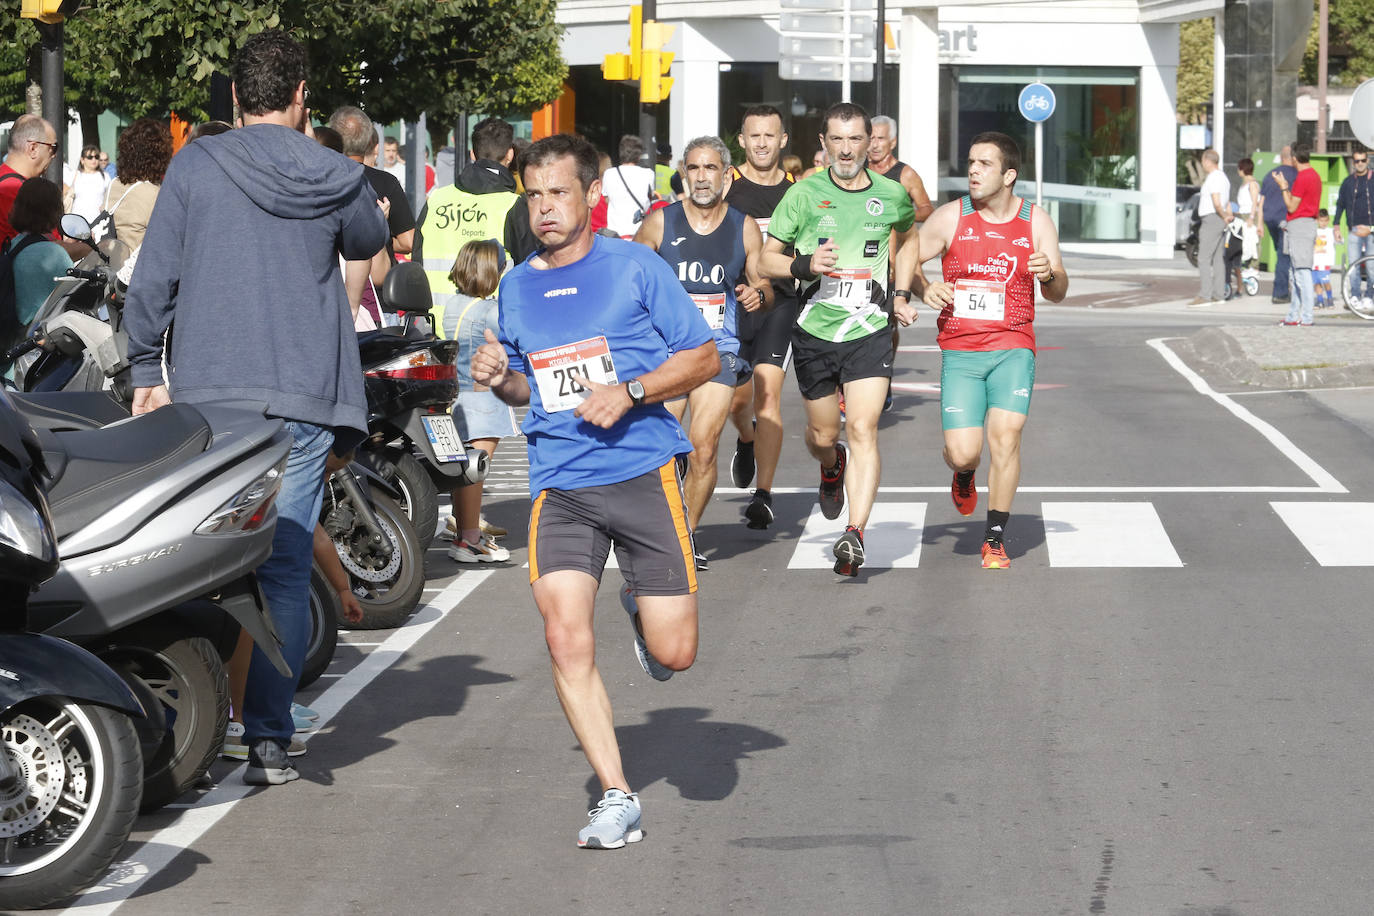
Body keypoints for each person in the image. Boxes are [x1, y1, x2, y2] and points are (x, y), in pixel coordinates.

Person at [124, 28, 388, 787]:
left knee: (193, 556)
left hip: (211, 399)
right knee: (283, 562)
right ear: (303, 97)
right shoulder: (336, 172)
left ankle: (183, 715)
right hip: (302, 396)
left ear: (236, 97)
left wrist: (146, 365)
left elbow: (155, 279)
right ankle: (269, 738)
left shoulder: (196, 164)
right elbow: (370, 235)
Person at [469, 133, 717, 848]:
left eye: (559, 193)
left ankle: (642, 604)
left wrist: (631, 390)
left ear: (589, 198)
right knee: (563, 635)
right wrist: (498, 374)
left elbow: (702, 354)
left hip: (641, 470)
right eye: (535, 195)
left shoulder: (635, 267)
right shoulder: (516, 285)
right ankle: (616, 794)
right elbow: (527, 383)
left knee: (676, 654)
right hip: (562, 480)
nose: (545, 208)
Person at [760, 102, 919, 577]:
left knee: (863, 428)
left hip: (869, 328)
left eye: (856, 139)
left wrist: (901, 290)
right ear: (824, 145)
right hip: (815, 329)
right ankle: (831, 466)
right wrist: (802, 265)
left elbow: (910, 237)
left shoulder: (892, 195)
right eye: (837, 140)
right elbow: (764, 261)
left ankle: (855, 532)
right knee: (825, 435)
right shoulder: (803, 195)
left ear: (870, 143)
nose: (847, 149)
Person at [917, 131, 1068, 569]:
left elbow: (1058, 290)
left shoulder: (1035, 221)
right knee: (966, 452)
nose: (973, 171)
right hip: (962, 351)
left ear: (1009, 175)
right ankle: (963, 474)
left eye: (984, 164)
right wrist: (924, 287)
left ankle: (994, 537)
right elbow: (906, 260)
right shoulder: (950, 218)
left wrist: (1048, 275)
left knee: (1006, 438)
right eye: (970, 162)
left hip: (1013, 345)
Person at [634, 135, 771, 566]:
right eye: (693, 168)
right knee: (665, 447)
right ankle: (662, 521)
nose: (701, 177)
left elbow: (763, 280)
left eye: (710, 168)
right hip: (667, 351)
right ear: (683, 174)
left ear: (726, 175)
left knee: (703, 446)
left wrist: (758, 295)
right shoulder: (660, 223)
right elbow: (630, 278)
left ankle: (686, 535)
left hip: (718, 350)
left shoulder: (743, 225)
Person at [723, 104, 797, 530]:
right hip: (730, 303)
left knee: (768, 394)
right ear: (743, 141)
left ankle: (763, 495)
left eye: (770, 136)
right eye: (755, 136)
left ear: (783, 140)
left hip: (779, 303)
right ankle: (746, 439)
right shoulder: (726, 188)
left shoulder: (797, 192)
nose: (763, 143)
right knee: (737, 399)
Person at [440, 239, 515, 563]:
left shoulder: (454, 304)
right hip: (483, 399)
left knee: (463, 472)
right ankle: (469, 540)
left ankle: (465, 533)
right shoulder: (490, 311)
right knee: (475, 473)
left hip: (458, 396)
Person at [414, 116, 538, 309]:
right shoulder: (514, 206)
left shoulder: (436, 200)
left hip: (434, 327)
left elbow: (417, 263)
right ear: (510, 154)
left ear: (472, 154)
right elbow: (530, 272)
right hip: (491, 327)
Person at [7, 177, 72, 326]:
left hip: (10, 336)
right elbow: (74, 295)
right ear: (55, 210)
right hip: (39, 339)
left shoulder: (12, 244)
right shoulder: (55, 254)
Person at [102, 117, 173, 251]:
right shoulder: (154, 194)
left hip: (111, 265)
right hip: (137, 268)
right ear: (161, 155)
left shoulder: (114, 184)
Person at [1273, 141, 1322, 326]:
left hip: (1300, 226)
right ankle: (1293, 315)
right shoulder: (1314, 176)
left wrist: (1283, 187)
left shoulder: (1304, 177)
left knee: (1302, 272)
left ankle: (1307, 316)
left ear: (1294, 158)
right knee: (1296, 273)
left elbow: (1292, 205)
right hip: (1305, 225)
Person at [0, 115, 60, 247]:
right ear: (33, 148)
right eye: (53, 147)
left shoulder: (4, 181)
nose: (54, 155)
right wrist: (89, 247)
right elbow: (47, 250)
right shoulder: (17, 190)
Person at [868, 116, 935, 223]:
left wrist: (898, 214)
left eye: (881, 139)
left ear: (893, 142)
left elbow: (927, 211)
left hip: (895, 237)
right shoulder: (860, 170)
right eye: (871, 138)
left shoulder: (906, 174)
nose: (875, 145)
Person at [1334, 147, 1374, 311]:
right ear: (1353, 162)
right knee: (1353, 265)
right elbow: (1340, 204)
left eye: (1362, 160)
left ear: (1368, 161)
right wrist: (1336, 225)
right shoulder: (1348, 182)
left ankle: (1370, 295)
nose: (1359, 164)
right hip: (1354, 229)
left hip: (1371, 229)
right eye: (1356, 161)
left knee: (1371, 265)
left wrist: (1371, 228)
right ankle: (1355, 295)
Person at [1190, 149, 1230, 307]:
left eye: (1202, 161)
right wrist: (1227, 216)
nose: (1202, 164)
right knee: (1218, 258)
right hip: (1219, 219)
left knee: (1203, 258)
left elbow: (1217, 201)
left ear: (1207, 161)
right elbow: (1226, 201)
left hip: (1212, 218)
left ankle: (1205, 295)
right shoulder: (1224, 178)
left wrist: (1223, 214)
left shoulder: (1213, 178)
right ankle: (1218, 294)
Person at [1258, 145, 1298, 304]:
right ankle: (1280, 293)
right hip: (1285, 220)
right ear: (1293, 158)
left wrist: (1259, 223)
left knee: (1280, 253)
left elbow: (1261, 201)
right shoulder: (1296, 175)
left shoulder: (1270, 174)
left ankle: (1282, 288)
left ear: (1281, 158)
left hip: (1270, 220)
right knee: (1284, 256)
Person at [601, 134, 657, 238]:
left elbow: (606, 199)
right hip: (638, 233)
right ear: (639, 155)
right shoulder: (648, 174)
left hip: (615, 234)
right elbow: (648, 201)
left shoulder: (609, 174)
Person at [1235, 157, 1261, 297]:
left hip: (1249, 216)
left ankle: (1252, 267)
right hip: (1243, 214)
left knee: (1251, 241)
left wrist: (1251, 218)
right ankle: (1246, 265)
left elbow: (1255, 202)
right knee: (1243, 243)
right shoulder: (1244, 184)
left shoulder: (1252, 184)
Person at [66, 144, 109, 223]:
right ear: (82, 160)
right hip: (77, 222)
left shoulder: (105, 176)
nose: (94, 160)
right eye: (90, 157)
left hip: (99, 222)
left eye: (96, 157)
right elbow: (65, 195)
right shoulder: (74, 175)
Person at [1313, 208, 1336, 309]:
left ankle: (1330, 299)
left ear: (1328, 220)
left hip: (1325, 261)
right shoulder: (1313, 231)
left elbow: (1340, 240)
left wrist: (1338, 237)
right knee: (1316, 282)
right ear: (1317, 220)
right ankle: (1320, 300)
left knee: (1326, 281)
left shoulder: (1331, 232)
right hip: (1314, 262)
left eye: (1325, 221)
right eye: (1321, 220)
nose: (1323, 223)